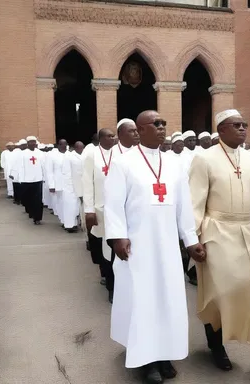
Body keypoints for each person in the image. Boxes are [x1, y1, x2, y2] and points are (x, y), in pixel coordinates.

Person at [104, 110, 205, 384]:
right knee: (143, 301)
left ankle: (165, 353)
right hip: (137, 246)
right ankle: (146, 360)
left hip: (168, 247)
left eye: (164, 123)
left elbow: (184, 207)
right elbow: (113, 204)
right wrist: (118, 237)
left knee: (168, 299)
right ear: (140, 129)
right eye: (155, 124)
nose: (162, 128)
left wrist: (191, 240)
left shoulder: (174, 164)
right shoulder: (124, 163)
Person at [188, 109, 250, 371]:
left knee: (242, 289)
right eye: (236, 125)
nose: (243, 128)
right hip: (217, 232)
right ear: (221, 130)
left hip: (247, 231)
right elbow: (195, 201)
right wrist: (193, 237)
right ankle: (216, 344)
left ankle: (234, 335)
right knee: (218, 292)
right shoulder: (204, 158)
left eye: (245, 124)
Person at [83, 128, 115, 303]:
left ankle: (114, 282)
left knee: (113, 247)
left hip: (116, 209)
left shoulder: (119, 154)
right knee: (104, 246)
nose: (113, 139)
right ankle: (108, 281)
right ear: (101, 138)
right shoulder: (92, 155)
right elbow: (87, 182)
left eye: (114, 136)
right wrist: (89, 210)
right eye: (109, 136)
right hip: (99, 208)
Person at [19, 136, 46, 225]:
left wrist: (44, 177)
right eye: (31, 142)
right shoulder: (23, 154)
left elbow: (43, 166)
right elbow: (21, 167)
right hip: (26, 180)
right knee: (28, 198)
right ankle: (31, 212)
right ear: (27, 143)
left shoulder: (40, 153)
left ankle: (37, 218)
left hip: (38, 179)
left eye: (34, 142)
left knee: (38, 199)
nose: (33, 143)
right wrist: (21, 179)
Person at [61, 141, 84, 233]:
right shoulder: (69, 156)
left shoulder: (83, 156)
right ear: (75, 148)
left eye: (82, 147)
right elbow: (66, 172)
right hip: (70, 185)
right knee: (70, 206)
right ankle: (69, 225)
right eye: (79, 147)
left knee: (78, 206)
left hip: (81, 184)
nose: (81, 149)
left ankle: (77, 223)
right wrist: (69, 185)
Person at [47, 139, 68, 224]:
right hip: (58, 183)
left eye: (65, 144)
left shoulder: (70, 154)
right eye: (61, 144)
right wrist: (51, 185)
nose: (63, 146)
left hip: (69, 183)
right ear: (58, 145)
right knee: (61, 203)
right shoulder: (53, 156)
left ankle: (69, 222)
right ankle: (63, 220)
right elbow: (50, 172)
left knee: (69, 203)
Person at [9, 139, 28, 205]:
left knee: (20, 187)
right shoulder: (16, 152)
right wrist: (11, 173)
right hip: (16, 173)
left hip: (21, 173)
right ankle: (18, 200)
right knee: (17, 187)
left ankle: (20, 200)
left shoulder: (26, 152)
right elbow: (12, 164)